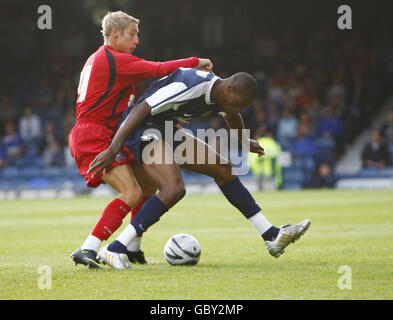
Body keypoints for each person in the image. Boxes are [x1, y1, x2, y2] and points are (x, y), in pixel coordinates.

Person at [88, 68, 311, 269]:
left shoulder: (222, 96)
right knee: (173, 188)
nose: (237, 109)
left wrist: (244, 141)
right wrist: (112, 149)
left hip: (165, 128)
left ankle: (270, 235)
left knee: (223, 167)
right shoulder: (189, 85)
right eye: (238, 103)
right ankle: (115, 248)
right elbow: (142, 108)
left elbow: (231, 115)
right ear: (229, 89)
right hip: (141, 127)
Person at [68, 11, 213, 268]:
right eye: (132, 34)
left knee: (146, 187)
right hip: (95, 134)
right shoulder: (113, 60)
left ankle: (133, 246)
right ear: (115, 34)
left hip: (102, 131)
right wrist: (194, 62)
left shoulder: (99, 59)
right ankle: (89, 247)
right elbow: (157, 69)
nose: (137, 40)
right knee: (132, 192)